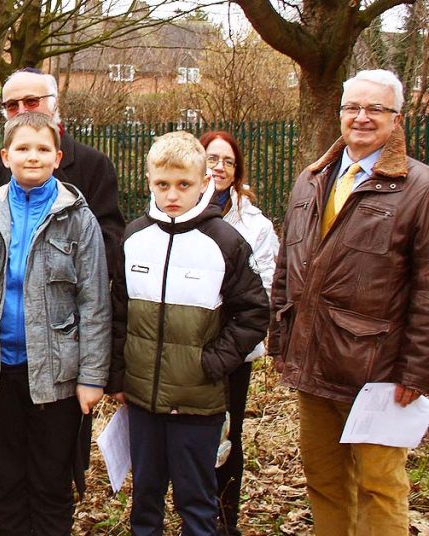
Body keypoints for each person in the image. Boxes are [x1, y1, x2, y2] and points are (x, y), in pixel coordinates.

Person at [269, 69, 429, 536]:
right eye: (352, 108)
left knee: (379, 486)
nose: (361, 118)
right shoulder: (311, 179)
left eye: (375, 109)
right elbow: (287, 266)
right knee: (323, 479)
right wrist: (281, 342)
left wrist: (417, 370)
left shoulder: (418, 188)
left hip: (378, 373)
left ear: (397, 120)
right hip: (314, 363)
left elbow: (426, 288)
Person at [0, 112, 112, 535]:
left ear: (57, 157)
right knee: (8, 481)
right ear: (5, 156)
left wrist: (92, 376)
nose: (31, 156)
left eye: (41, 149)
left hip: (56, 375)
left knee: (51, 483)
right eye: (22, 148)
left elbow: (94, 302)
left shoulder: (78, 218)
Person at [107, 131, 268, 536]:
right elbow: (119, 312)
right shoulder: (134, 238)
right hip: (142, 402)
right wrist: (119, 375)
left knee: (197, 503)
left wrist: (211, 362)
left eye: (184, 185)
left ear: (204, 183)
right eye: (163, 185)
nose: (173, 195)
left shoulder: (225, 242)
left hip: (198, 405)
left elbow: (253, 313)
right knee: (145, 499)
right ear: (149, 182)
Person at [199, 130, 278, 536]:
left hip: (233, 351)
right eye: (212, 158)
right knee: (189, 434)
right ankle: (193, 516)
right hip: (184, 351)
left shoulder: (255, 225)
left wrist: (224, 346)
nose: (220, 167)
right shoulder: (169, 209)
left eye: (228, 161)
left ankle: (226, 520)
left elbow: (262, 293)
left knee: (228, 435)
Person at [0, 68, 124, 274]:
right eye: (11, 105)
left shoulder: (93, 165)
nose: (22, 111)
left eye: (31, 101)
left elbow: (108, 242)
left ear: (54, 104)